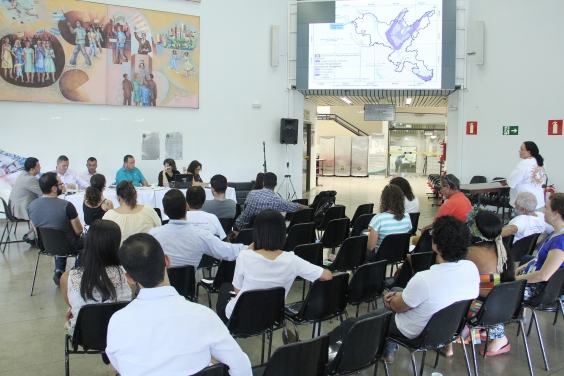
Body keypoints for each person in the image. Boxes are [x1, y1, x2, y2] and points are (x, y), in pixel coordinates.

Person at [326, 215, 479, 364]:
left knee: (354, 324)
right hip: (446, 328)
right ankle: (387, 353)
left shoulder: (424, 278)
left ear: (437, 246)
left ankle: (327, 354)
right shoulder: (472, 268)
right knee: (398, 289)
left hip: (415, 330)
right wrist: (399, 295)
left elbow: (397, 308)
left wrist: (392, 299)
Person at [105, 233, 252, 375]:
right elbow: (242, 367)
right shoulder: (204, 316)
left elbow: (120, 366)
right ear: (167, 261)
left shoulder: (117, 323)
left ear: (129, 278)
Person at [482, 193, 564, 356]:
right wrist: (517, 270)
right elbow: (537, 261)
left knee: (495, 291)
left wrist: (513, 279)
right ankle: (490, 326)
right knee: (485, 282)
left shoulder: (560, 242)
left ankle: (500, 339)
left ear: (556, 214)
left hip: (540, 289)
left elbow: (544, 275)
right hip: (533, 281)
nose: (544, 211)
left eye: (547, 208)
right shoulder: (556, 234)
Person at [216, 209, 333, 323]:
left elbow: (238, 290)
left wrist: (256, 243)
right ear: (283, 233)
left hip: (240, 317)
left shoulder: (245, 256)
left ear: (256, 233)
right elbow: (327, 276)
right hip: (272, 316)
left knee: (225, 288)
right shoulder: (292, 260)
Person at [441, 209, 515, 357]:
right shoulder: (501, 247)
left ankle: (447, 341)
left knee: (443, 295)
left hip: (482, 310)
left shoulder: (472, 252)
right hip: (505, 305)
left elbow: (449, 272)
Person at [60, 220, 132, 338]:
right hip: (120, 332)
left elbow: (72, 304)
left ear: (88, 242)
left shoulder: (68, 278)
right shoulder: (128, 276)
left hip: (85, 336)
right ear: (117, 243)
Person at [149, 189, 247, 267]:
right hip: (188, 288)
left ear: (164, 212)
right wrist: (253, 246)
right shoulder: (202, 235)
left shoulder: (153, 236)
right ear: (186, 207)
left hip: (162, 286)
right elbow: (228, 251)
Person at [28, 172, 84, 285]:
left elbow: (35, 229)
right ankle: (72, 273)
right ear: (54, 188)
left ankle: (59, 271)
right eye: (60, 184)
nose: (62, 186)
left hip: (44, 245)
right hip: (68, 245)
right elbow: (79, 231)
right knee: (91, 242)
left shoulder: (31, 206)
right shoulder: (67, 206)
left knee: (60, 240)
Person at [234, 172, 308, 231]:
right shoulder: (278, 201)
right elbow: (295, 207)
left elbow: (244, 210)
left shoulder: (251, 194)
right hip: (262, 234)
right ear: (276, 184)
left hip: (242, 230)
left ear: (263, 183)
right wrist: (307, 207)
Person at [416, 174, 472, 242]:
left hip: (451, 240)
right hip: (463, 238)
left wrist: (425, 228)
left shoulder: (448, 205)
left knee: (415, 240)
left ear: (448, 187)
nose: (441, 191)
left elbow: (436, 224)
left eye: (442, 187)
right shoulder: (466, 199)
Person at [366, 185, 412, 258]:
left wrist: (370, 235)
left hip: (380, 257)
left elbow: (370, 248)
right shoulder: (407, 216)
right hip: (399, 254)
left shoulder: (378, 219)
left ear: (384, 200)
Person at [501, 141, 546, 210]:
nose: (519, 151)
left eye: (521, 149)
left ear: (528, 152)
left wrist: (506, 182)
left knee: (522, 220)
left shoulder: (524, 164)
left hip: (524, 203)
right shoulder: (541, 162)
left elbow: (512, 181)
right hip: (536, 200)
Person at [9, 157, 42, 244]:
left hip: (15, 206)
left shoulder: (23, 175)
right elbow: (43, 192)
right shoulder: (30, 179)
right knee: (45, 213)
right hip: (21, 208)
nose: (40, 168)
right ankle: (31, 237)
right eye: (38, 166)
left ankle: (31, 235)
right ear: (32, 169)